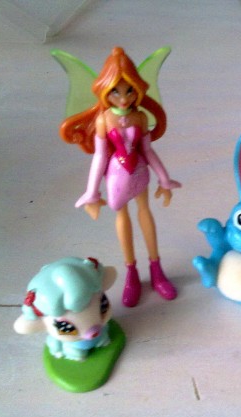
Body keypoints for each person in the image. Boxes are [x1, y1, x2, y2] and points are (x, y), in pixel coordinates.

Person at [59, 47, 181, 307]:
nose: (123, 98)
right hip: (116, 176)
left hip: (139, 172)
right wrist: (92, 191)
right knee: (122, 216)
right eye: (116, 91)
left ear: (137, 89)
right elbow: (99, 156)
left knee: (145, 212)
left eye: (129, 90)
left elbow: (148, 150)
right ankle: (131, 273)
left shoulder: (140, 117)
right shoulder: (103, 120)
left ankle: (156, 269)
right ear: (105, 91)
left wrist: (164, 178)